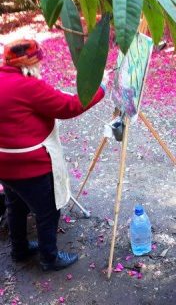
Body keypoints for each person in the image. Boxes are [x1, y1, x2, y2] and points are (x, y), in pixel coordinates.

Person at [0, 39, 106, 271]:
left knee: (15, 205)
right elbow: (69, 106)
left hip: (4, 163)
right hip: (29, 164)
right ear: (29, 62)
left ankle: (20, 250)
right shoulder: (29, 86)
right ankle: (49, 258)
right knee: (48, 210)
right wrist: (101, 89)